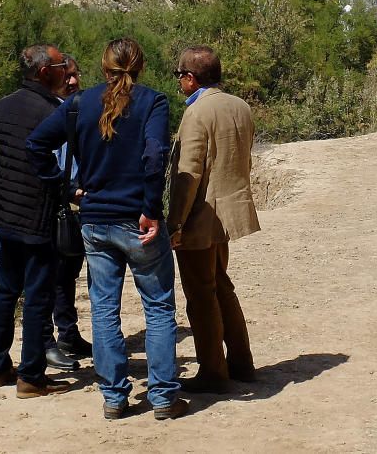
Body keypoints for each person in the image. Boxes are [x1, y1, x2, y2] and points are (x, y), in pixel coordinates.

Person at [27, 38, 188, 421]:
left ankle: (114, 397)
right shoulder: (154, 102)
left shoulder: (79, 104)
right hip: (138, 220)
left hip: (95, 220)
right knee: (159, 307)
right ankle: (163, 398)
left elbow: (36, 144)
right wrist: (151, 209)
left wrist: (67, 188)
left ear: (103, 68)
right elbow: (153, 156)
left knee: (103, 308)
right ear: (141, 66)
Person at [167, 45, 261, 394]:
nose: (179, 82)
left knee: (201, 294)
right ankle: (242, 363)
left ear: (190, 78)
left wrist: (175, 223)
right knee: (222, 286)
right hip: (230, 212)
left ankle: (213, 371)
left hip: (201, 215)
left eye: (180, 75)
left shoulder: (197, 114)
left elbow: (187, 173)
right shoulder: (240, 106)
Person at [0, 44, 71, 399]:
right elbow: (62, 167)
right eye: (61, 64)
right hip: (38, 216)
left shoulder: (1, 105)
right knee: (38, 296)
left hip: (4, 212)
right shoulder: (54, 111)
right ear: (44, 71)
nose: (66, 70)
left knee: (5, 292)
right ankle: (32, 376)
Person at [42, 55, 93, 370]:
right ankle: (44, 340)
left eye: (76, 75)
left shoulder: (83, 111)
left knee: (68, 273)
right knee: (47, 276)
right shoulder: (41, 113)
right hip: (48, 205)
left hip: (79, 207)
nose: (73, 81)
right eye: (67, 75)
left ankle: (68, 333)